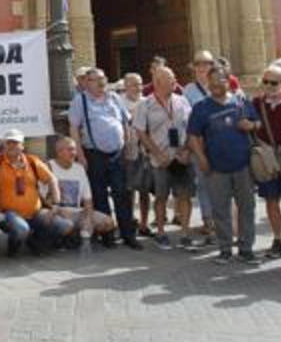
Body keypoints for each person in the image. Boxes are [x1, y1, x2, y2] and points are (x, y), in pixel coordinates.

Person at [188, 64, 261, 265]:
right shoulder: (201, 108)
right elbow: (193, 136)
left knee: (247, 207)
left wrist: (252, 125)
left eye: (219, 81)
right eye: (211, 82)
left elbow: (258, 123)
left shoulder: (241, 102)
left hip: (243, 165)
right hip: (215, 167)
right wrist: (201, 159)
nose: (214, 85)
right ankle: (225, 249)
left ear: (228, 82)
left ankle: (246, 248)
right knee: (220, 209)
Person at [68, 68, 140, 249]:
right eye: (95, 80)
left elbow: (125, 121)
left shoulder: (114, 98)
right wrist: (81, 155)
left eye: (103, 79)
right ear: (87, 82)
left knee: (122, 194)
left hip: (117, 153)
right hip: (94, 154)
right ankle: (108, 235)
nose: (100, 83)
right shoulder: (80, 101)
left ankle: (128, 235)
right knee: (100, 196)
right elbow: (74, 129)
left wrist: (127, 145)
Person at [134, 66, 195, 250]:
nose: (175, 80)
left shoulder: (182, 101)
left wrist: (186, 150)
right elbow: (140, 132)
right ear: (158, 82)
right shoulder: (145, 104)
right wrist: (157, 154)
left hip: (182, 156)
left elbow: (192, 127)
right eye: (171, 78)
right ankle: (160, 232)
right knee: (161, 196)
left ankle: (185, 233)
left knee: (185, 196)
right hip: (160, 159)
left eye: (174, 76)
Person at [0, 130, 65, 253]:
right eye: (8, 143)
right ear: (4, 146)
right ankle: (14, 244)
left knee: (63, 226)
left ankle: (34, 242)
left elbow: (52, 179)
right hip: (8, 213)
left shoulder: (32, 161)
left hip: (35, 213)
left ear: (22, 146)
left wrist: (56, 204)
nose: (11, 146)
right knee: (22, 229)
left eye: (15, 142)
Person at [251, 65, 281, 261]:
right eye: (266, 82)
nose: (269, 86)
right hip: (267, 157)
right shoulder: (256, 103)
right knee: (271, 200)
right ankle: (277, 239)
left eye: (274, 82)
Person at [48, 137, 115, 242]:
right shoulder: (49, 167)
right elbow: (41, 197)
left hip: (78, 212)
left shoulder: (79, 168)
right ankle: (68, 236)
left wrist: (88, 218)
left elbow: (88, 199)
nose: (74, 153)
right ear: (59, 152)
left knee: (108, 223)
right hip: (57, 212)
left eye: (74, 149)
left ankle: (81, 233)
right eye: (70, 149)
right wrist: (58, 210)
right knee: (65, 225)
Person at [182, 50, 217, 244]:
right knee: (203, 183)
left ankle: (224, 220)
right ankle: (208, 221)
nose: (203, 67)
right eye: (199, 64)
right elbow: (184, 121)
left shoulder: (220, 85)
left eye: (207, 63)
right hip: (199, 144)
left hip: (220, 144)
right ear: (194, 68)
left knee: (222, 184)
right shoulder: (188, 91)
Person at [120, 72, 153, 237]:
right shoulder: (119, 102)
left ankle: (144, 223)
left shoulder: (147, 102)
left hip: (145, 151)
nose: (138, 87)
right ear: (126, 86)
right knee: (129, 189)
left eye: (140, 84)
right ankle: (130, 221)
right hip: (128, 151)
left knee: (145, 190)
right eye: (133, 84)